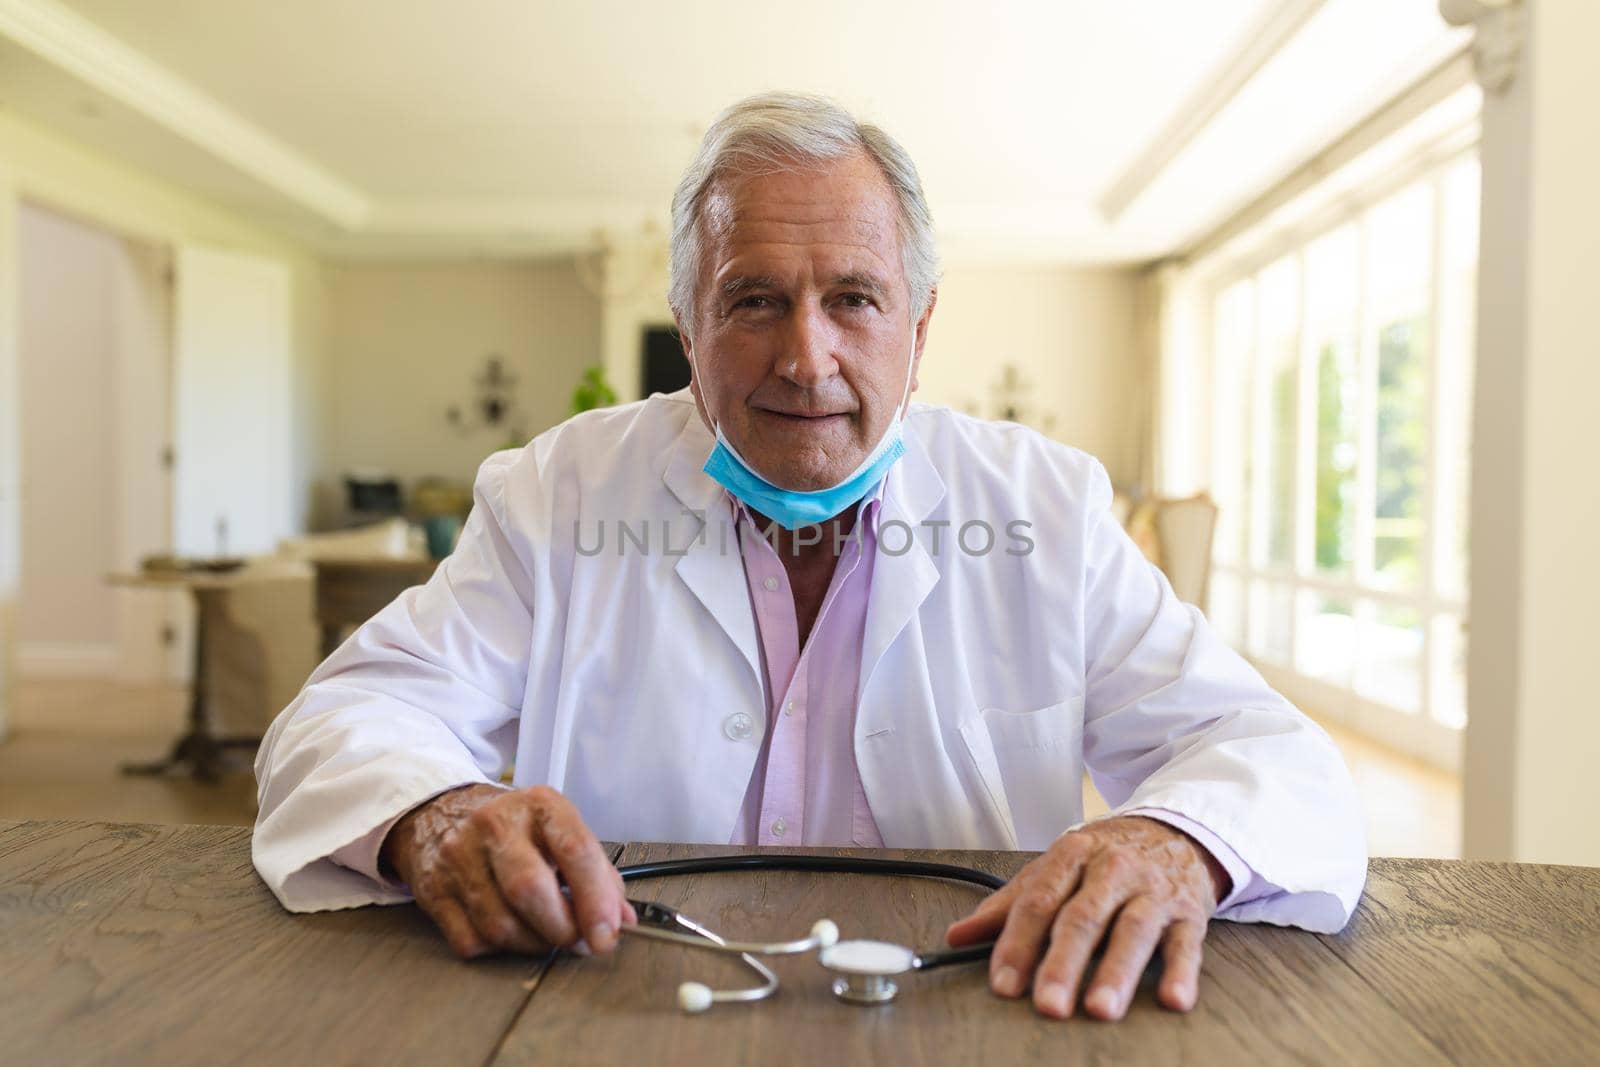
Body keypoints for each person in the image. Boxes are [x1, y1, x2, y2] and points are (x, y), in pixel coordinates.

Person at [253, 91, 1366, 1022]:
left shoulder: (1046, 505)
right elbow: (343, 720)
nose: (805, 355)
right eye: (752, 301)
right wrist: (432, 811)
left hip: (975, 1013)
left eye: (852, 299)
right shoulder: (558, 492)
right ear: (688, 326)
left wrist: (1173, 836)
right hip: (622, 1000)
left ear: (919, 330)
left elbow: (1268, 751)